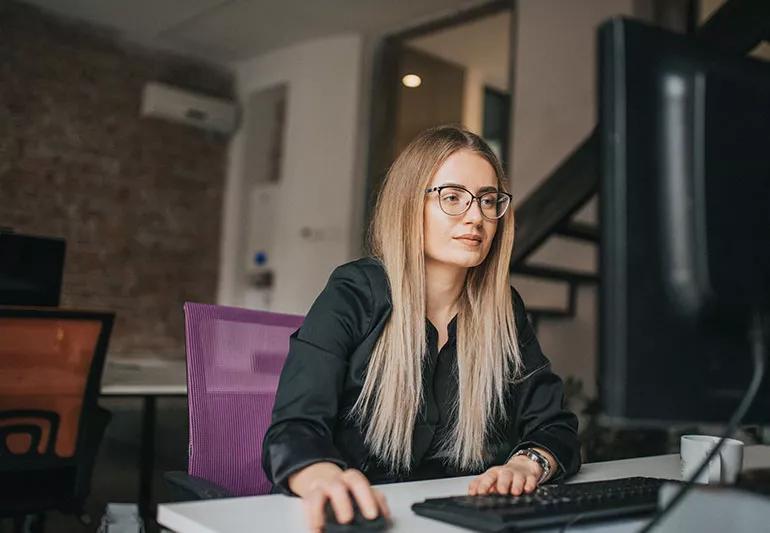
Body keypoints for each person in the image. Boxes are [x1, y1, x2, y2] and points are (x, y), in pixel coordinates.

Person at [262, 125, 581, 531]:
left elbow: (555, 426)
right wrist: (323, 477)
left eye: (488, 201)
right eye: (452, 198)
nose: (476, 217)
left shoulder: (503, 311)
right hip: (345, 520)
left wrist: (527, 463)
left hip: (445, 520)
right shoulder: (355, 292)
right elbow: (295, 428)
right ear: (410, 205)